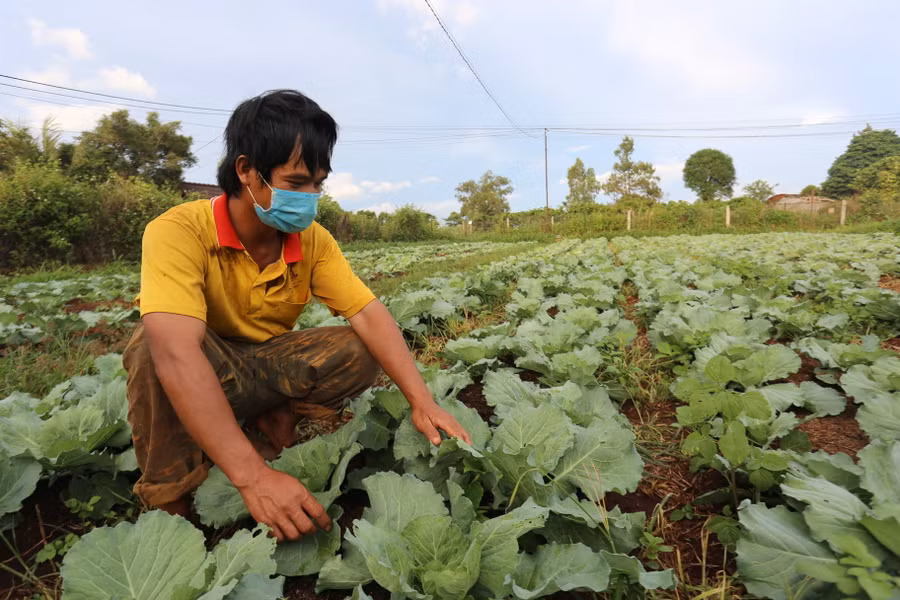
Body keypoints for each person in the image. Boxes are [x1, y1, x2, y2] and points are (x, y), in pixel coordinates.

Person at [123, 89, 471, 542]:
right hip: (202, 369)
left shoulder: (312, 240)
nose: (310, 197)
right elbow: (175, 354)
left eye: (318, 184)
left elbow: (368, 313)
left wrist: (423, 402)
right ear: (246, 170)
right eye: (296, 182)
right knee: (150, 344)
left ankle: (272, 425)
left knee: (357, 347)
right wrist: (252, 479)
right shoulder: (178, 230)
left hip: (263, 365)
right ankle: (172, 498)